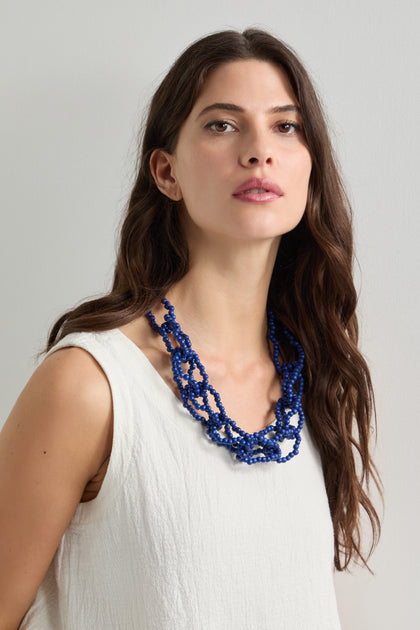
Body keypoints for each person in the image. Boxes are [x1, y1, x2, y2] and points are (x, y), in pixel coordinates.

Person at [0, 28, 381, 630]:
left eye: (286, 126)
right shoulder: (92, 385)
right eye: (222, 125)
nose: (260, 150)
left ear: (310, 167)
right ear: (165, 171)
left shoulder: (315, 381)